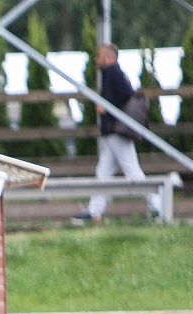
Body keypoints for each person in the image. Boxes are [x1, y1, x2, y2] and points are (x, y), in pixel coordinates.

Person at [72, 43, 160, 224]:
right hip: (113, 131)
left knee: (132, 172)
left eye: (99, 56)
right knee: (103, 172)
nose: (96, 60)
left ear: (108, 57)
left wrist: (107, 108)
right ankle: (94, 212)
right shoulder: (111, 74)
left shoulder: (114, 73)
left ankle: (159, 207)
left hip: (116, 130)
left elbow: (127, 95)